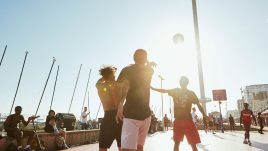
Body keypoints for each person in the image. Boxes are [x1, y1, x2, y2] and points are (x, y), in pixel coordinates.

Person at [151, 76, 208, 151]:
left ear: (180, 82)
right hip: (187, 120)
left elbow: (164, 90)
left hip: (179, 120)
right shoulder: (190, 93)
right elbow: (199, 105)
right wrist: (204, 115)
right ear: (187, 83)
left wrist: (153, 88)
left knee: (177, 143)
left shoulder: (176, 91)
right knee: (193, 145)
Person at [116, 49, 155, 151]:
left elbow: (123, 88)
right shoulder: (150, 70)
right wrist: (148, 62)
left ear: (134, 58)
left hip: (131, 115)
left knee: (127, 149)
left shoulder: (127, 70)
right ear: (145, 58)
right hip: (146, 116)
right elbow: (148, 65)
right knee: (139, 147)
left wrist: (120, 105)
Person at [96, 66, 124, 151]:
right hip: (118, 116)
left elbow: (98, 81)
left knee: (102, 148)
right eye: (114, 74)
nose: (115, 76)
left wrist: (105, 76)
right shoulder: (115, 85)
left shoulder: (99, 86)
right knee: (122, 147)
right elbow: (117, 103)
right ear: (111, 75)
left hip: (107, 117)